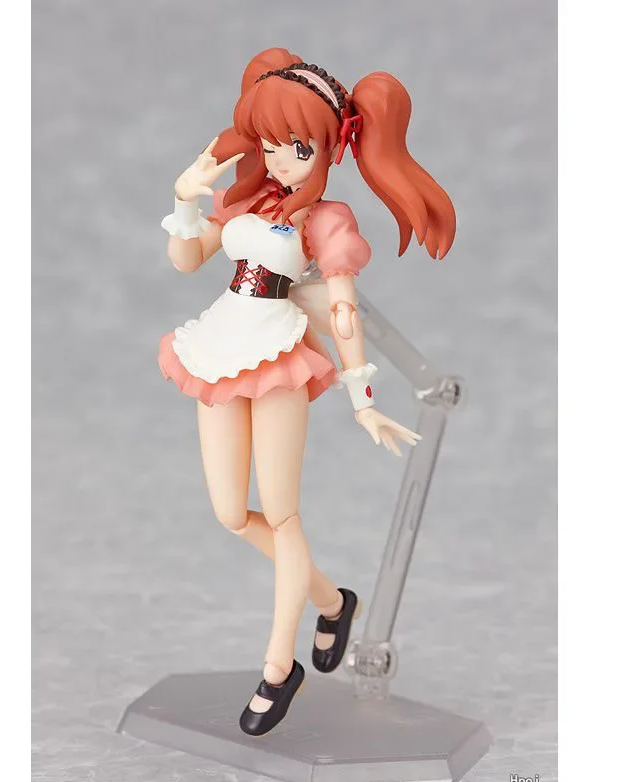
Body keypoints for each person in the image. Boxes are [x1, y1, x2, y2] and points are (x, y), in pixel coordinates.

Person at [158, 48, 456, 736]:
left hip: (279, 353)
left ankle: (276, 667)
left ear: (330, 147)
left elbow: (343, 310)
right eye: (270, 143)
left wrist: (362, 398)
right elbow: (187, 259)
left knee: (282, 515)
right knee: (232, 514)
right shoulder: (246, 197)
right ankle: (332, 602)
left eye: (296, 147)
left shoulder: (326, 220)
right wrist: (183, 198)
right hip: (218, 346)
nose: (280, 159)